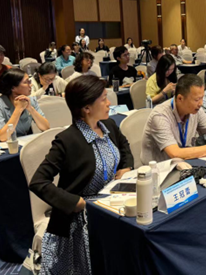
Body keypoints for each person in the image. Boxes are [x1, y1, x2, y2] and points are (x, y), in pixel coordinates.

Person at [30, 75, 133, 275]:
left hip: (111, 204)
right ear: (86, 108)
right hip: (80, 218)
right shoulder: (67, 140)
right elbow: (38, 181)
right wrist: (74, 202)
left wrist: (126, 167)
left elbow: (125, 147)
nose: (109, 103)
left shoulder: (109, 125)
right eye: (103, 99)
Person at [141, 74, 206, 163]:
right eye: (197, 100)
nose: (201, 103)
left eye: (202, 98)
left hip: (185, 163)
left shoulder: (196, 110)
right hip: (160, 168)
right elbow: (175, 153)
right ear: (180, 98)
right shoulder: (160, 115)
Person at [0, 68, 49, 141]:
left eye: (29, 81)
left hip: (23, 142)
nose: (31, 85)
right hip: (0, 146)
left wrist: (30, 109)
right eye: (26, 82)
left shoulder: (31, 100)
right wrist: (18, 109)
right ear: (13, 88)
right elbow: (3, 137)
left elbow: (46, 128)